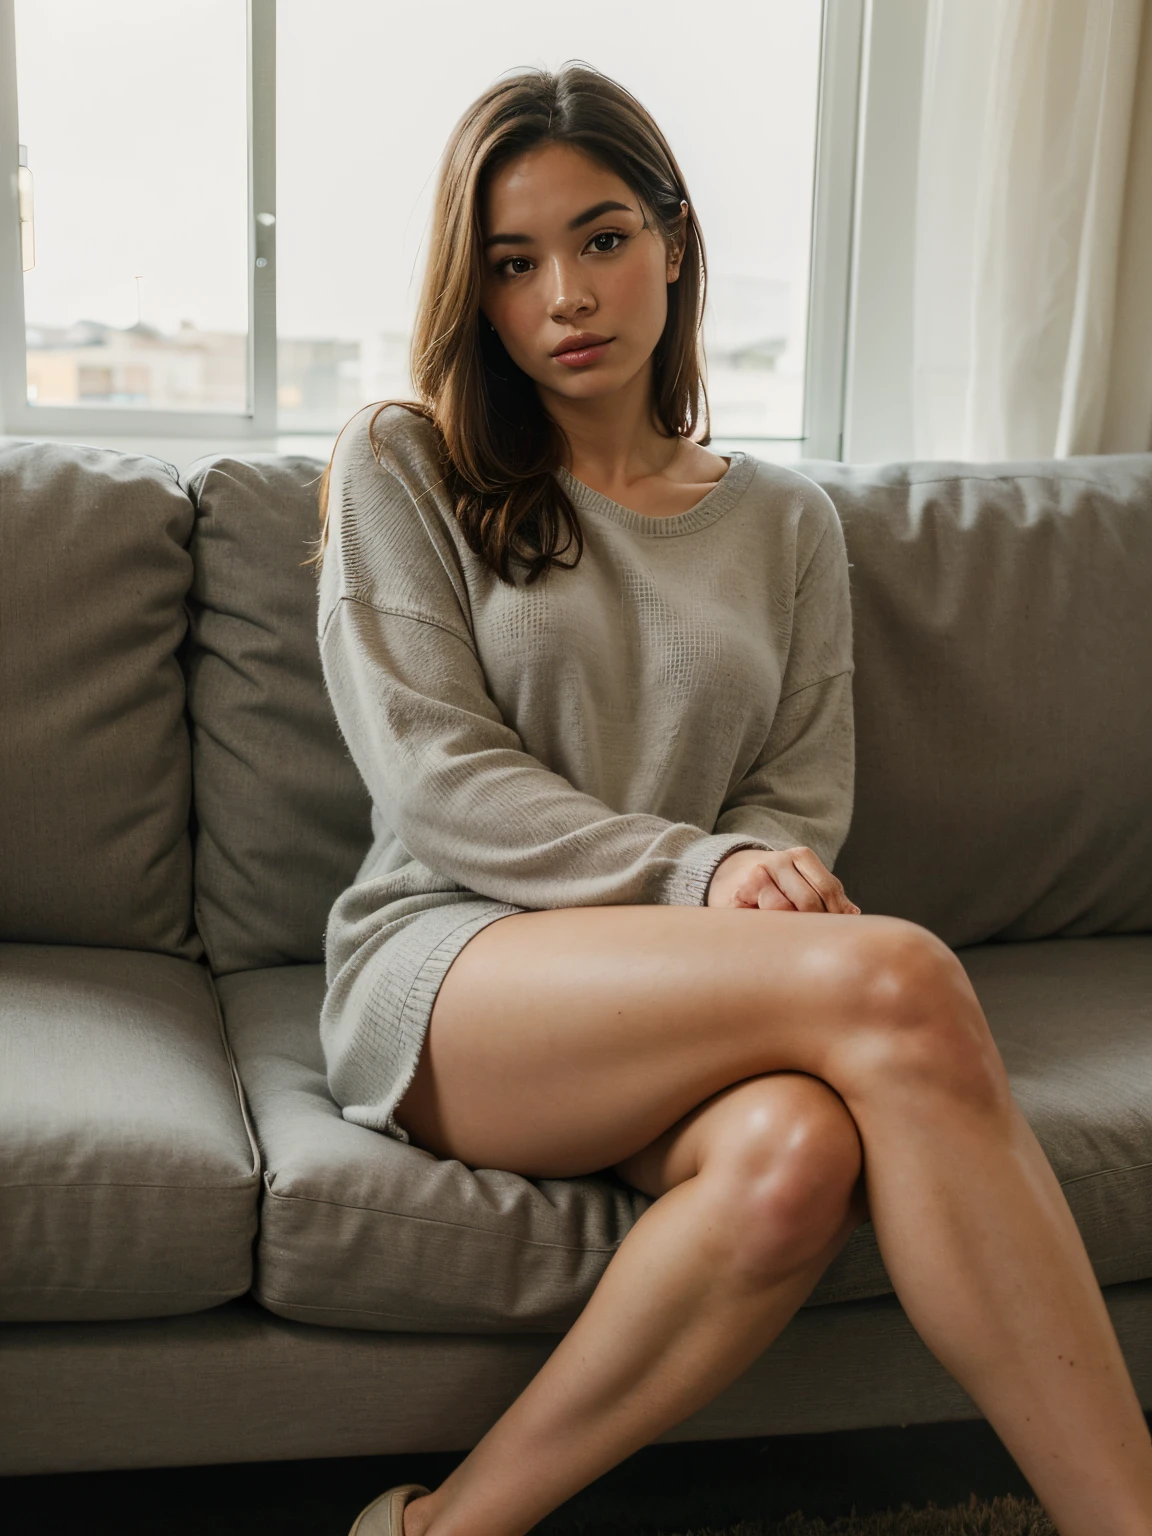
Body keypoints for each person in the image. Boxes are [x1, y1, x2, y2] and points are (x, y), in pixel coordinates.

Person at [308, 61, 1152, 1536]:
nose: (566, 294)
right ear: (478, 290)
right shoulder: (408, 461)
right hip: (452, 967)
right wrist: (700, 875)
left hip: (682, 989)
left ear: (675, 244)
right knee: (895, 978)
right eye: (514, 263)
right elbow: (437, 779)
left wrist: (746, 868)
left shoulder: (785, 522)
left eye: (604, 237)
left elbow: (794, 793)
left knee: (794, 1161)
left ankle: (445, 1529)